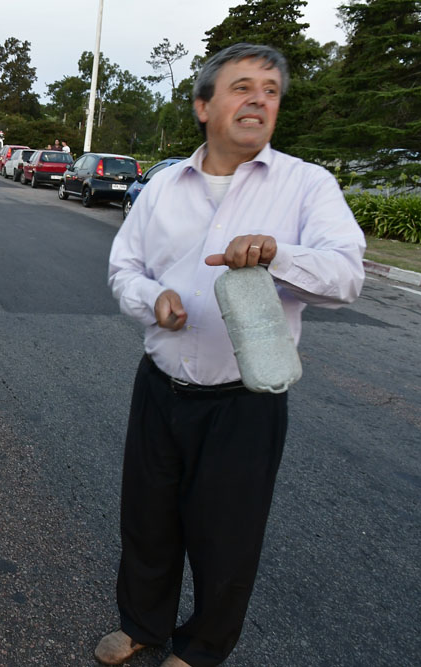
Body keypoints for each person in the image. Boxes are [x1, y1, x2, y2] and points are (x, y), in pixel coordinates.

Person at [99, 44, 365, 666]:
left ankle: (201, 649)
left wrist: (279, 254)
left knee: (226, 537)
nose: (259, 100)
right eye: (242, 87)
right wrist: (152, 298)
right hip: (161, 385)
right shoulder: (164, 186)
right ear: (203, 106)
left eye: (271, 90)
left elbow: (347, 278)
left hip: (246, 400)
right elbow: (122, 268)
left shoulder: (306, 185)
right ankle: (142, 624)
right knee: (148, 520)